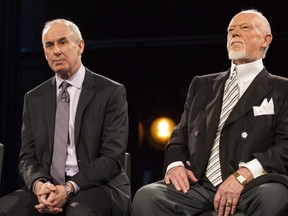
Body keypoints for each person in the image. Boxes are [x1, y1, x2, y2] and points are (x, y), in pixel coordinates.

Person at [133, 9, 288, 216]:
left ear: (266, 40)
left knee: (274, 197)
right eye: (230, 30)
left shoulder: (282, 89)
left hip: (254, 185)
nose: (235, 33)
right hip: (200, 186)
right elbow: (179, 137)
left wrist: (243, 175)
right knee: (147, 196)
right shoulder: (202, 85)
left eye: (244, 28)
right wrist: (175, 165)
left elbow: (285, 146)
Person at [0, 19, 130, 215]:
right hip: (49, 187)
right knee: (5, 209)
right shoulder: (34, 97)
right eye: (49, 45)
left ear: (80, 46)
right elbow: (27, 158)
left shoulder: (110, 92)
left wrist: (69, 188)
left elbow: (112, 158)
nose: (56, 51)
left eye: (63, 42)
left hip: (98, 186)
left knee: (79, 212)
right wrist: (39, 185)